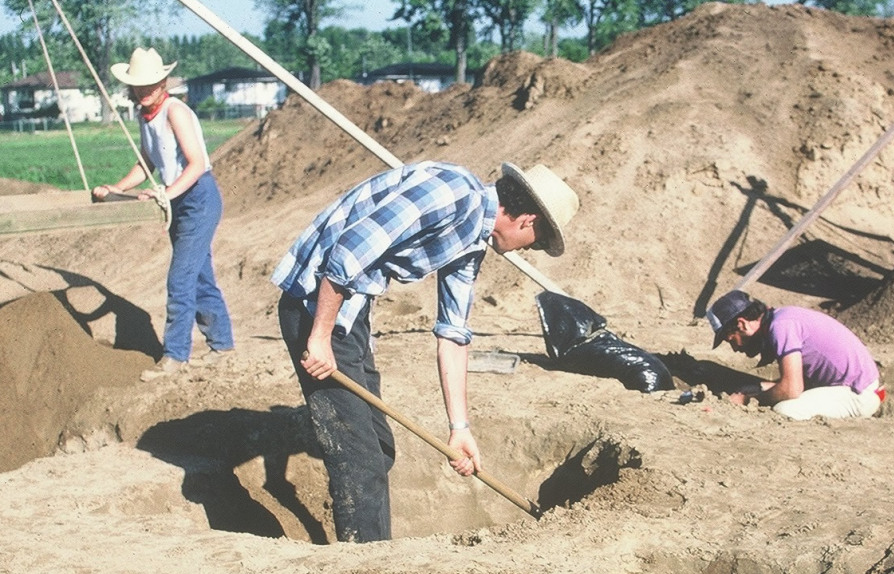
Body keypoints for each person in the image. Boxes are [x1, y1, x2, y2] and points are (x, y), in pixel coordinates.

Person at [272, 161, 579, 543]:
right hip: (315, 304)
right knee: (359, 459)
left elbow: (453, 333)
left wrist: (460, 429)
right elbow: (348, 253)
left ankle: (372, 550)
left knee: (379, 448)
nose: (528, 249)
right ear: (527, 221)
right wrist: (318, 337)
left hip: (349, 310)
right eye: (535, 243)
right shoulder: (449, 195)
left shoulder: (470, 242)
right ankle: (365, 571)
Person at [93, 47, 234, 381]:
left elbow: (197, 163)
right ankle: (223, 346)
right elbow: (147, 163)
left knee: (180, 278)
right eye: (138, 87)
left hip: (198, 197)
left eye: (150, 86)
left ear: (163, 83)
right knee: (199, 276)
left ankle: (174, 356)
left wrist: (166, 193)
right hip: (177, 199)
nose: (144, 91)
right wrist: (117, 188)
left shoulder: (175, 111)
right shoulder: (147, 117)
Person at [706, 290, 884, 420]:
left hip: (858, 396)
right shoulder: (782, 318)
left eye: (731, 340)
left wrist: (746, 400)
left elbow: (791, 389)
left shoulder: (781, 327)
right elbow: (798, 381)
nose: (736, 349)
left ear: (742, 324)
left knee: (785, 410)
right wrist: (767, 387)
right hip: (852, 389)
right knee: (768, 390)